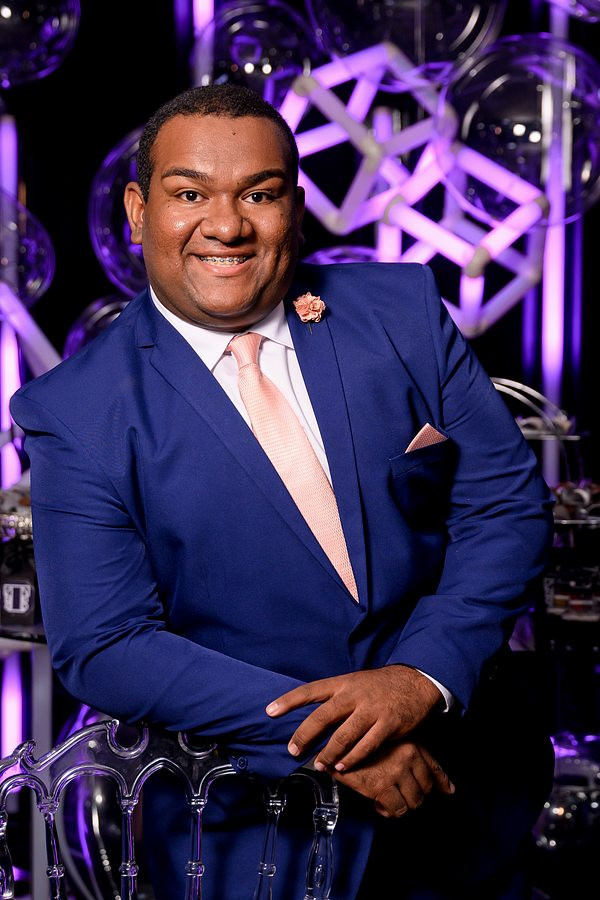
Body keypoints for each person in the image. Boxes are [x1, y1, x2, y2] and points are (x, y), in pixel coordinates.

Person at [10, 84, 555, 899]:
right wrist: (339, 738)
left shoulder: (401, 310)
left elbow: (505, 507)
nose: (226, 226)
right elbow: (108, 643)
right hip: (251, 834)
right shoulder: (75, 410)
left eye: (258, 195)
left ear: (294, 210)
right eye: (189, 195)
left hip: (469, 796)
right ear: (138, 211)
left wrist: (419, 678)